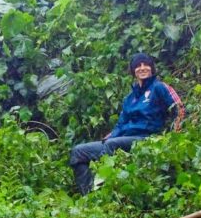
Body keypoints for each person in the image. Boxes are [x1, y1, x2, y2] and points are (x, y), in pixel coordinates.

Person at [69, 53, 185, 195]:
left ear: (152, 69)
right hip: (124, 139)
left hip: (146, 138)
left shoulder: (159, 87)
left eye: (146, 64)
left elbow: (179, 108)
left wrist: (175, 135)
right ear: (133, 71)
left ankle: (105, 191)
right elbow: (120, 123)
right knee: (78, 151)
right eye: (138, 65)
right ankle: (88, 195)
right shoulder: (130, 98)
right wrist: (107, 139)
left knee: (111, 145)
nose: (142, 68)